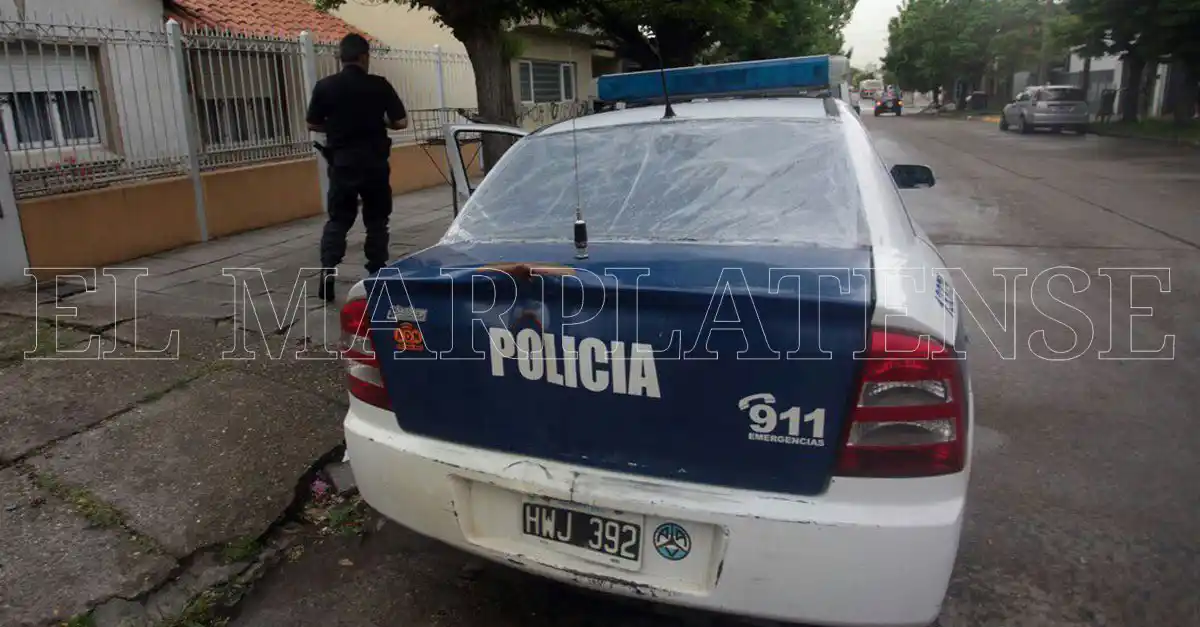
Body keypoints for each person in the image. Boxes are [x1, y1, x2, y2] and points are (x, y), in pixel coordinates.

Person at [306, 33, 408, 302]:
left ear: (341, 58)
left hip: (342, 164)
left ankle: (328, 271)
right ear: (364, 57)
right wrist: (381, 122)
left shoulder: (325, 86)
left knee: (338, 219)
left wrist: (337, 126)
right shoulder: (380, 85)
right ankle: (376, 273)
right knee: (376, 220)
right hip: (374, 163)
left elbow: (313, 124)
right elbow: (401, 122)